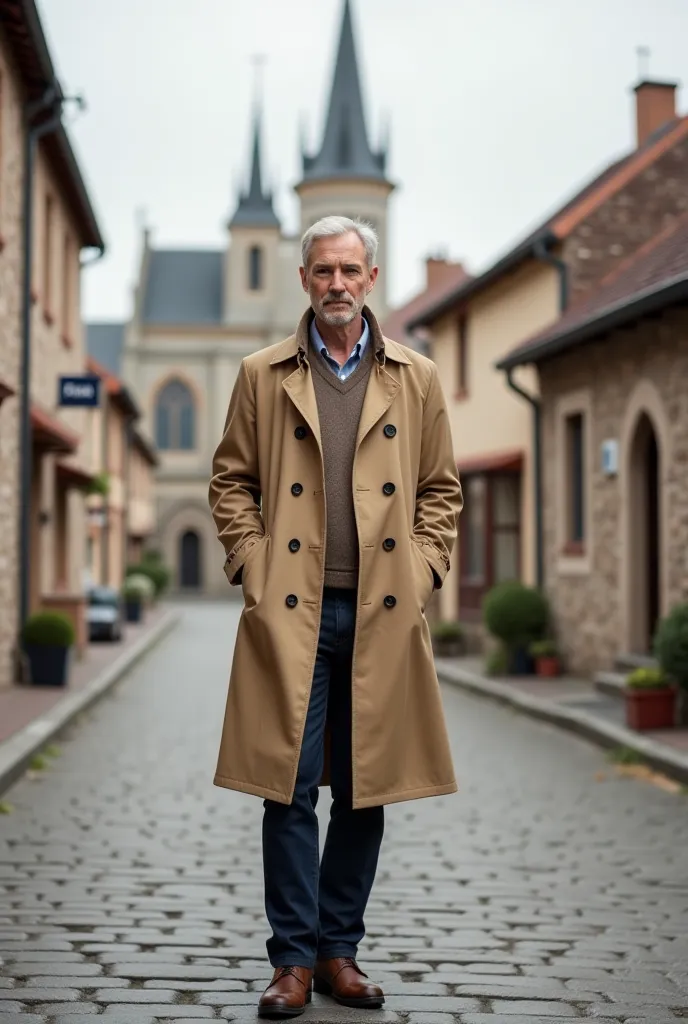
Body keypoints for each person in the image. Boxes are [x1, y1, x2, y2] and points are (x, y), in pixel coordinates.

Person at [208, 215, 463, 1018]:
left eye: (351, 270)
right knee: (285, 789)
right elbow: (230, 484)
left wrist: (421, 573)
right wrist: (254, 566)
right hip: (293, 612)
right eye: (324, 271)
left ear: (371, 278)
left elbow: (441, 493)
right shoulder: (262, 373)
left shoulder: (415, 377)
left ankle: (337, 952)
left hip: (383, 612)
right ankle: (290, 961)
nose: (338, 285)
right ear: (306, 279)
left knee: (364, 789)